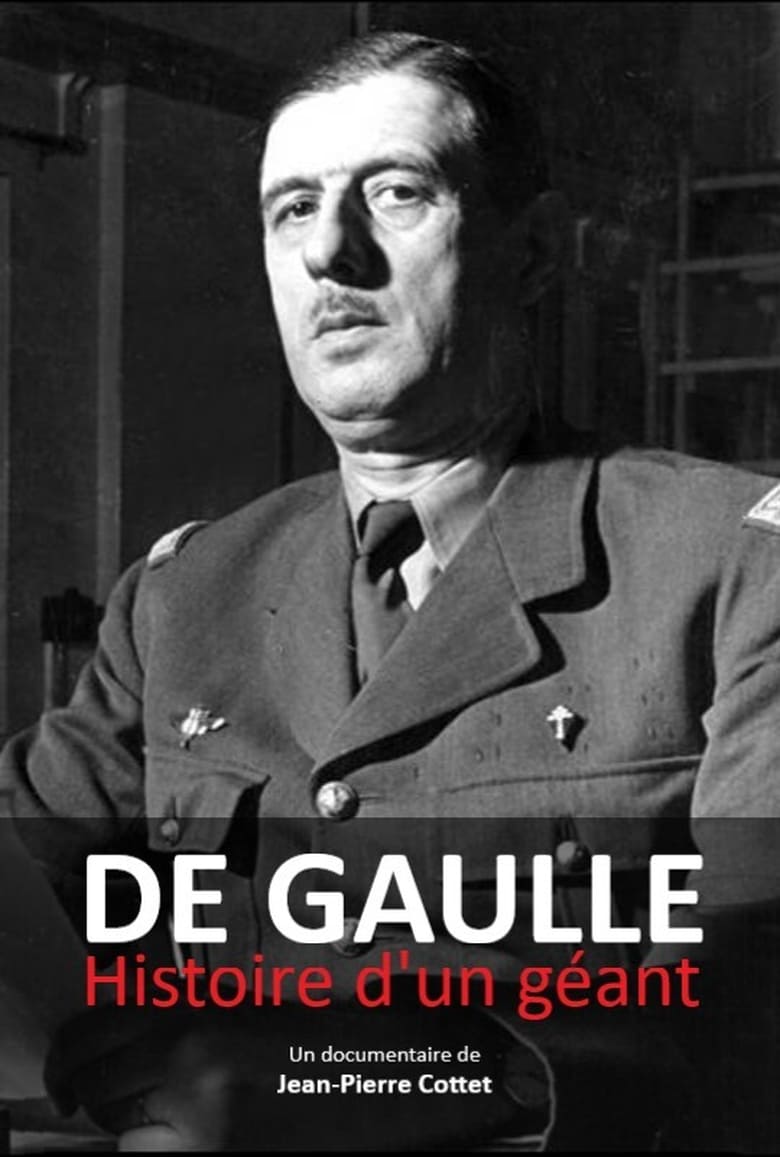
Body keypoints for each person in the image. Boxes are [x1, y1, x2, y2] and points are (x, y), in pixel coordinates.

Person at [3, 29, 780, 1152]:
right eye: (293, 209)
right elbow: (24, 875)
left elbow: (754, 993)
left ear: (533, 251)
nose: (330, 251)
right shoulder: (183, 594)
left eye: (397, 193)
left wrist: (372, 1074)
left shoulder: (732, 566)